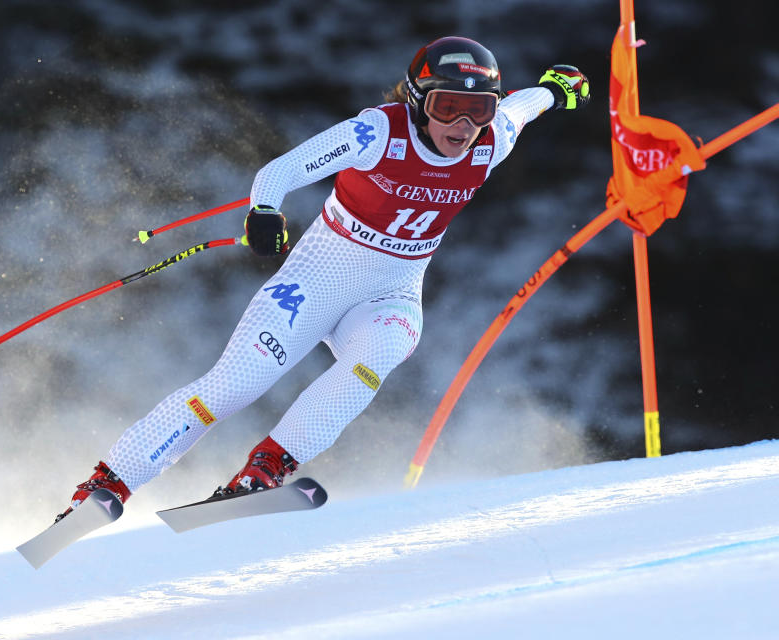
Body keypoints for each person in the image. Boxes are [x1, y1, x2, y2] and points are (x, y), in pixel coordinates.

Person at [55, 36, 590, 521]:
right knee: (233, 387)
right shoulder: (377, 131)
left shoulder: (491, 141)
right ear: (416, 101)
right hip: (317, 280)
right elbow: (280, 172)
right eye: (447, 106)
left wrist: (556, 89)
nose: (463, 125)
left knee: (379, 356)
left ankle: (263, 472)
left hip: (393, 292)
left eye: (477, 109)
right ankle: (109, 483)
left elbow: (525, 106)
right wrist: (264, 212)